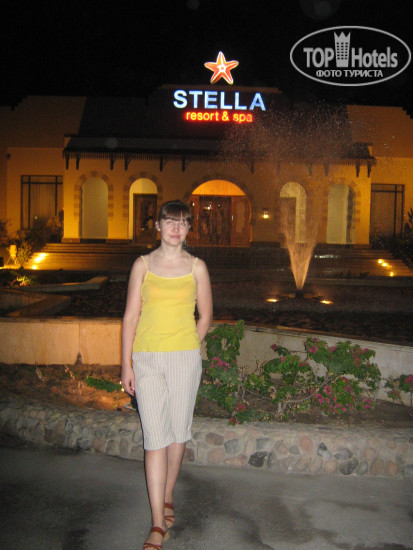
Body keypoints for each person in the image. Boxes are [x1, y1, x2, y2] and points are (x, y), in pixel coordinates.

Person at [121, 200, 213, 550]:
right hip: (146, 359)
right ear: (157, 226)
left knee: (177, 432)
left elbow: (205, 315)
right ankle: (158, 523)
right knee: (154, 438)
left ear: (189, 229)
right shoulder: (142, 265)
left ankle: (169, 492)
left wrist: (190, 344)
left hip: (184, 359)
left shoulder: (197, 267)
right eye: (171, 221)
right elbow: (131, 317)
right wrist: (126, 364)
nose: (177, 228)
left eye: (184, 222)